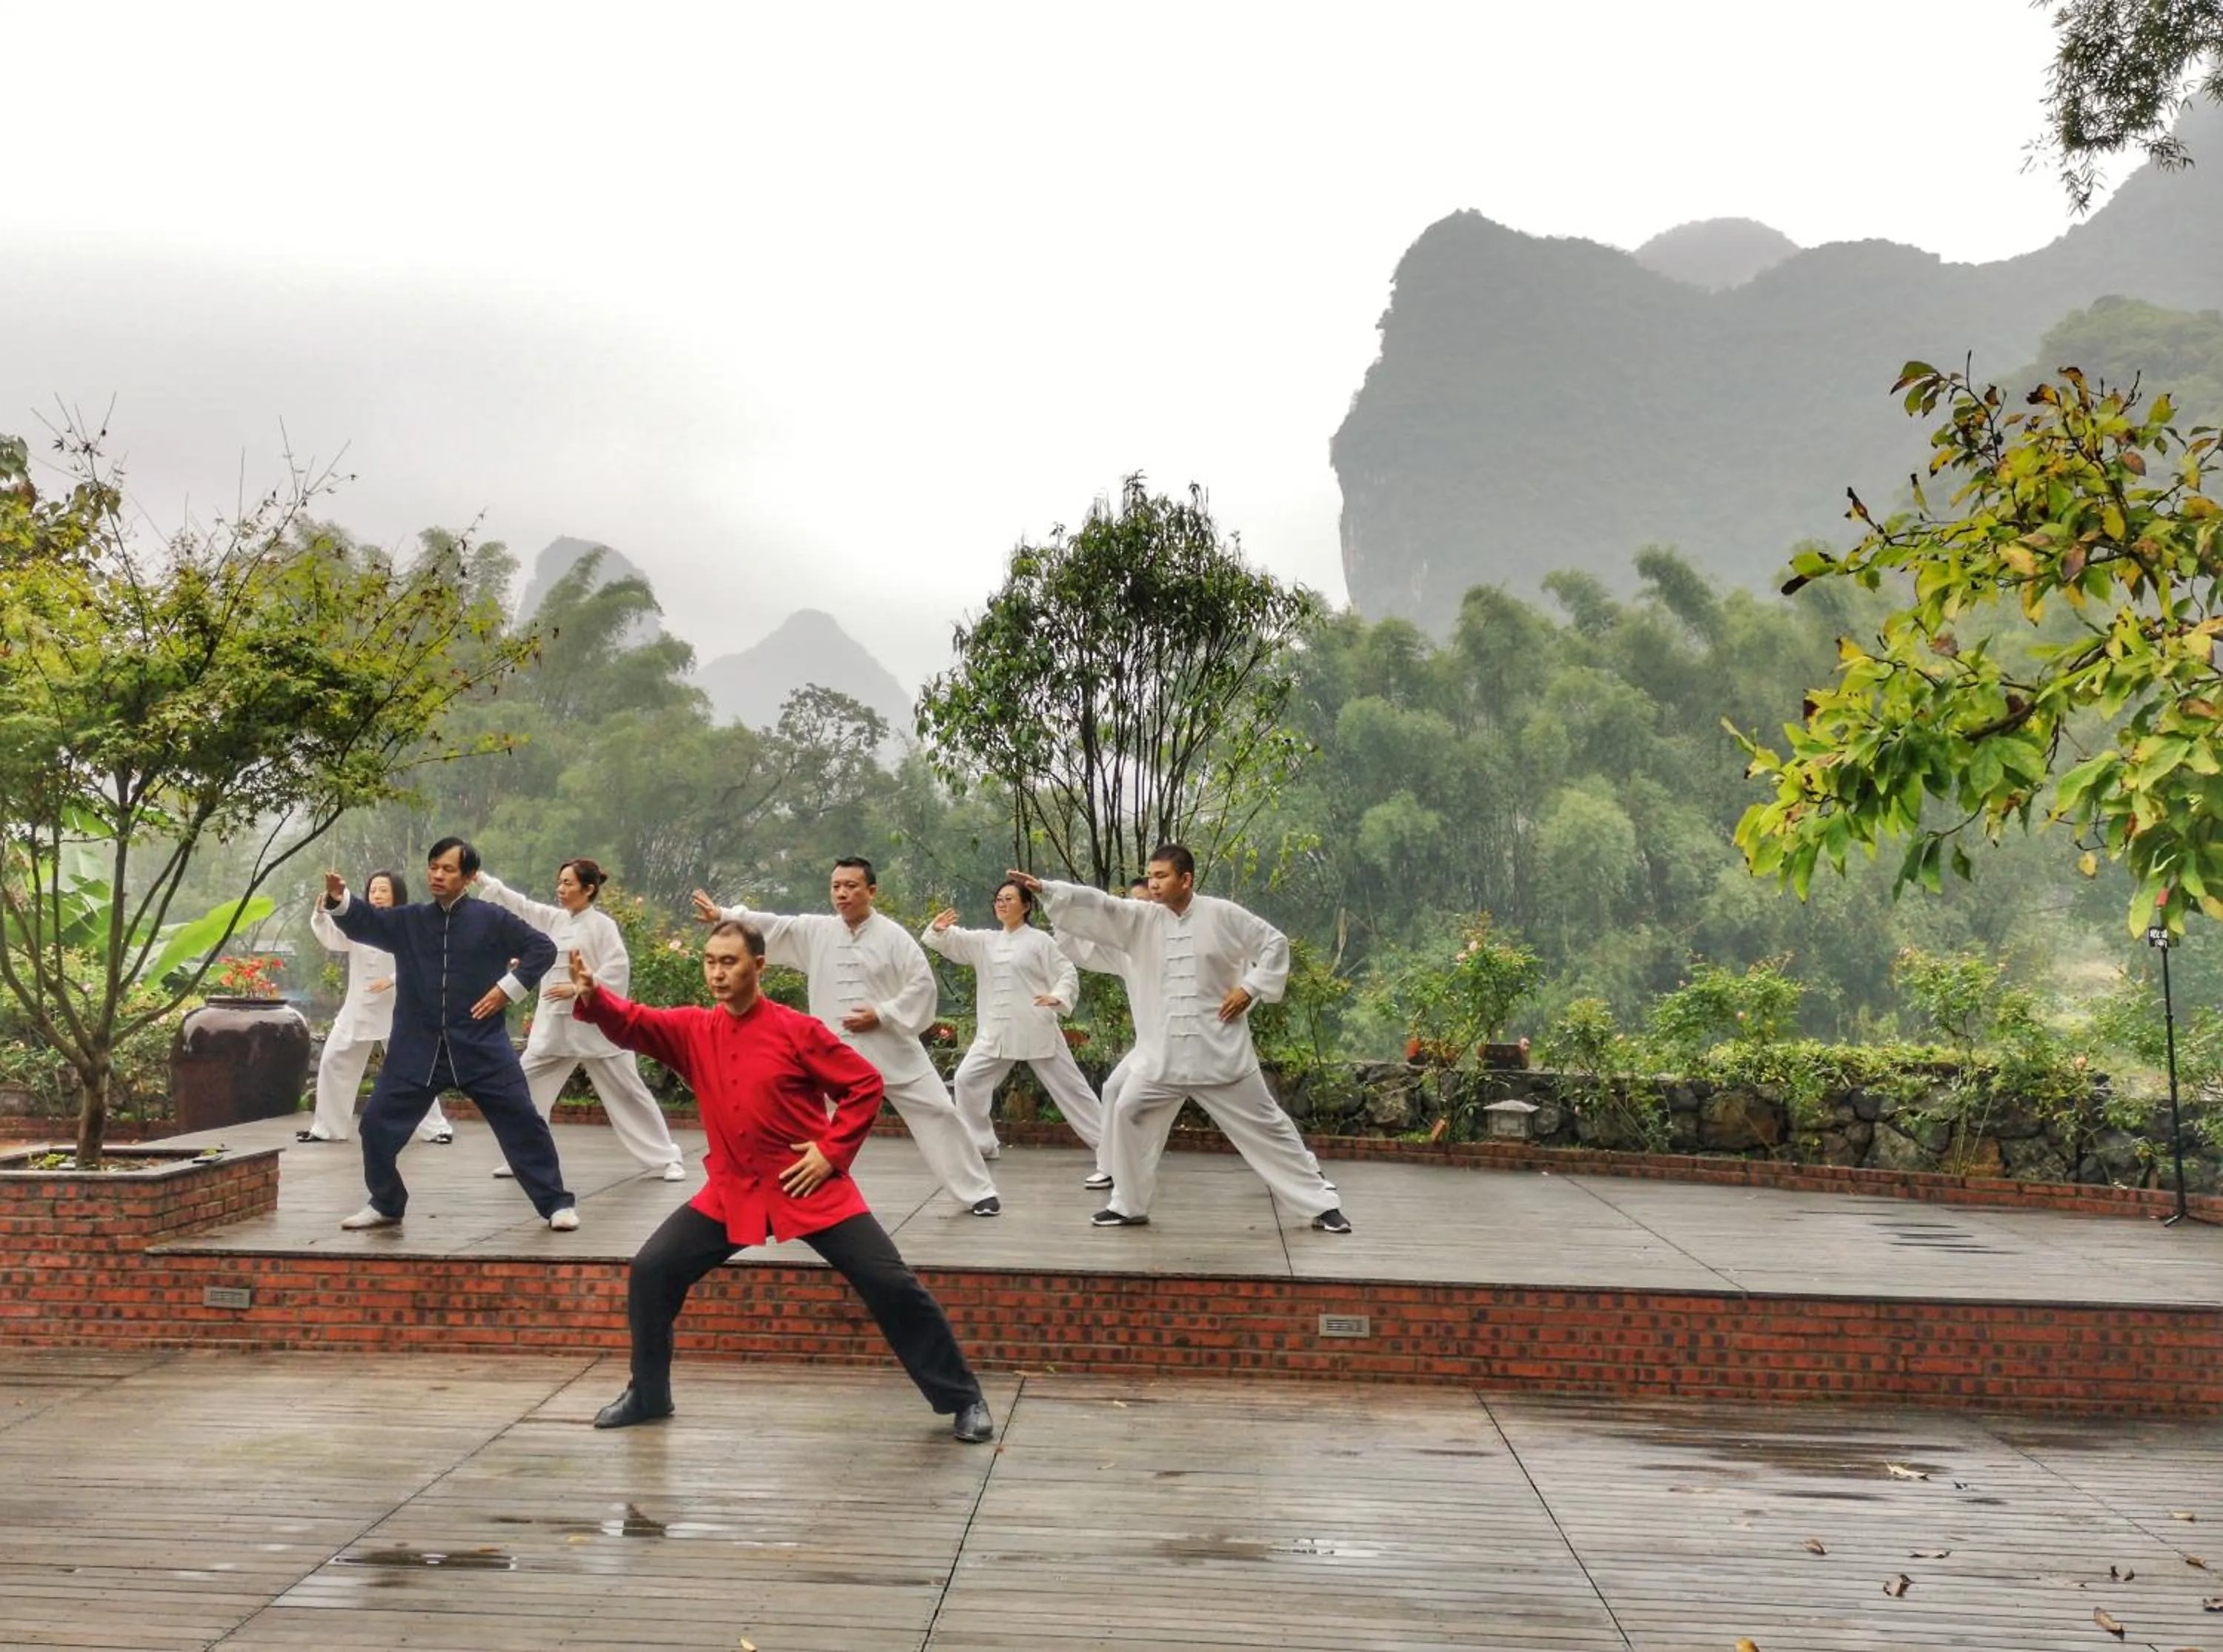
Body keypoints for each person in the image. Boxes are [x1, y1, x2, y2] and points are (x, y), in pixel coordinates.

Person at [570, 920, 994, 1443]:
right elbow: (634, 1022)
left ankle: (963, 1398)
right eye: (710, 962)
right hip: (731, 1191)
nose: (718, 973)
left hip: (810, 1186)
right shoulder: (694, 1030)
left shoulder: (798, 1030)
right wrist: (596, 997)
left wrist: (831, 1152)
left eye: (730, 962)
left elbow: (864, 1084)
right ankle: (649, 1394)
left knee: (891, 1284)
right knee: (652, 1272)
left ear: (758, 966)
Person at [1011, 845, 1350, 1233]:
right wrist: (1049, 891)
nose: (1153, 884)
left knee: (1268, 1127)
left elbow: (1274, 944)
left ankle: (1322, 1205)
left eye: (1162, 877)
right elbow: (1104, 907)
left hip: (1222, 1056)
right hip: (1161, 1060)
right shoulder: (1141, 920)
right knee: (1127, 1111)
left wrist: (1250, 987)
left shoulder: (1223, 915)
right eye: (1150, 877)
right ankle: (1128, 1204)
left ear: (1186, 879)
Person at [693, 859, 1001, 1216]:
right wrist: (723, 915)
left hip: (892, 1046)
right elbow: (773, 927)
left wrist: (882, 1014)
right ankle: (788, 1192)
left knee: (939, 1111)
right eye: (836, 886)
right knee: (808, 1122)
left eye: (851, 886)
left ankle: (978, 1191)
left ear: (871, 891)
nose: (842, 893)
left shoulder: (893, 937)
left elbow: (921, 986)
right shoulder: (817, 931)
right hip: (831, 1053)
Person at [322, 836, 581, 1233]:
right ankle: (386, 1202)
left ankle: (556, 1203)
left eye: (448, 869)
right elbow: (366, 922)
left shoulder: (491, 919)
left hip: (482, 1046)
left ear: (469, 877)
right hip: (416, 1048)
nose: (438, 875)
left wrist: (506, 989)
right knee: (375, 1124)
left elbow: (541, 949)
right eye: (433, 867)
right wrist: (341, 899)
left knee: (523, 1122)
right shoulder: (410, 920)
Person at [472, 859, 688, 1182]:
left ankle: (666, 1158)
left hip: (596, 1029)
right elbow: (522, 905)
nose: (561, 889)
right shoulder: (554, 920)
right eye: (559, 883)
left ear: (588, 889)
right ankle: (524, 1156)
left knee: (629, 1092)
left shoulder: (603, 926)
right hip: (554, 1031)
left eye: (568, 883)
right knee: (519, 1085)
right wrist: (484, 879)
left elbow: (617, 969)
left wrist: (578, 988)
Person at [922, 879, 1106, 1182]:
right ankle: (981, 1143)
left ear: (1026, 906)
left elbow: (1066, 972)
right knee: (967, 1079)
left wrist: (1057, 997)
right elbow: (954, 941)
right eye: (998, 899)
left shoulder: (1040, 942)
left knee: (1074, 1092)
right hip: (995, 1032)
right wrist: (941, 930)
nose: (1001, 903)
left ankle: (1110, 1155)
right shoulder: (986, 941)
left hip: (1037, 1028)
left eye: (1009, 898)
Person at [300, 868, 453, 1146]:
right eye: (372, 890)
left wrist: (393, 980)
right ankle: (328, 1128)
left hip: (398, 1009)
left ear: (396, 894)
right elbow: (333, 939)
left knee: (413, 1068)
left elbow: (426, 962)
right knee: (334, 1061)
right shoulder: (359, 924)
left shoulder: (409, 924)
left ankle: (436, 1128)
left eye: (383, 890)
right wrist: (322, 913)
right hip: (358, 1008)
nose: (377, 895)